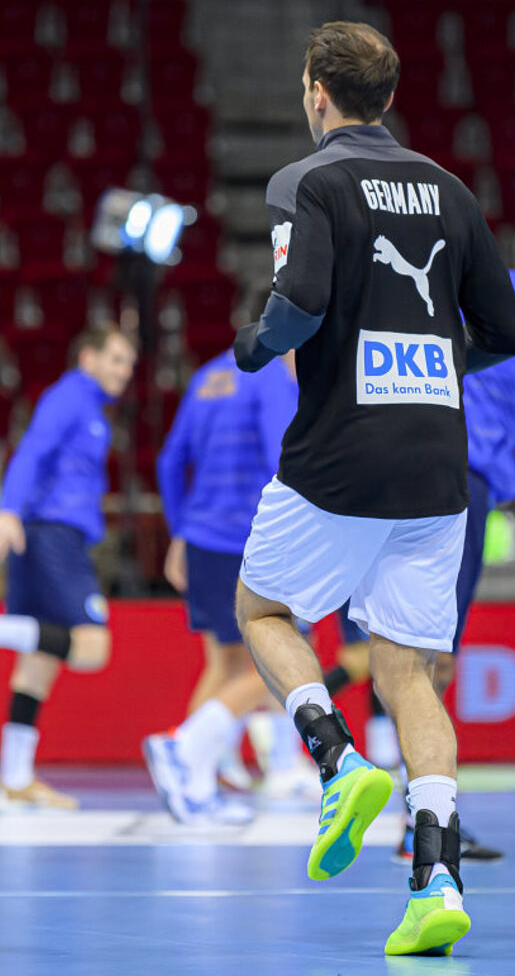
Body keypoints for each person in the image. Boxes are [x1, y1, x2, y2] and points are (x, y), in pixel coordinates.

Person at [230, 21, 515, 956]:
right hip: (440, 468)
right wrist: (431, 360)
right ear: (387, 98)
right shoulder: (450, 190)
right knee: (410, 673)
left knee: (265, 610)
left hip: (338, 455)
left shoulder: (304, 182)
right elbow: (506, 330)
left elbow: (302, 299)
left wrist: (254, 345)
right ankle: (436, 880)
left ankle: (332, 757)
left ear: (316, 89)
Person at [330, 213, 515, 865]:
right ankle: (414, 814)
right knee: (425, 656)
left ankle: (411, 812)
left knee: (414, 650)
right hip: (452, 484)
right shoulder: (494, 301)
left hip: (458, 483)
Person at [0, 325, 136, 811]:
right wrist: (7, 510)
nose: (124, 372)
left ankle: (14, 779)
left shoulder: (88, 405)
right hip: (53, 536)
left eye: (129, 363)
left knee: (37, 663)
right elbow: (32, 452)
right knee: (93, 647)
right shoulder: (69, 398)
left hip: (47, 534)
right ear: (88, 357)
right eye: (116, 359)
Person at [142, 348, 305, 822]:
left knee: (226, 664)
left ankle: (194, 782)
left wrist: (180, 530)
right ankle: (184, 753)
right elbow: (285, 458)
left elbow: (171, 460)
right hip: (252, 541)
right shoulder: (272, 376)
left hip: (202, 540)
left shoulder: (208, 375)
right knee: (279, 660)